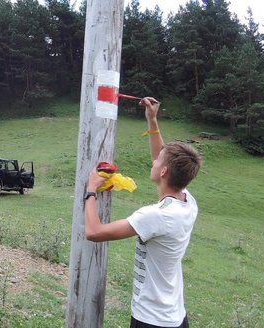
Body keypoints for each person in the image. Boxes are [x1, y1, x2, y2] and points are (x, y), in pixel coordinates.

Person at [83, 97, 202, 328]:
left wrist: (91, 190)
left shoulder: (156, 216)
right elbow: (163, 159)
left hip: (151, 320)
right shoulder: (187, 201)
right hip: (176, 317)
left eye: (158, 161)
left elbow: (94, 232)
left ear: (164, 171)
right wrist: (152, 119)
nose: (154, 161)